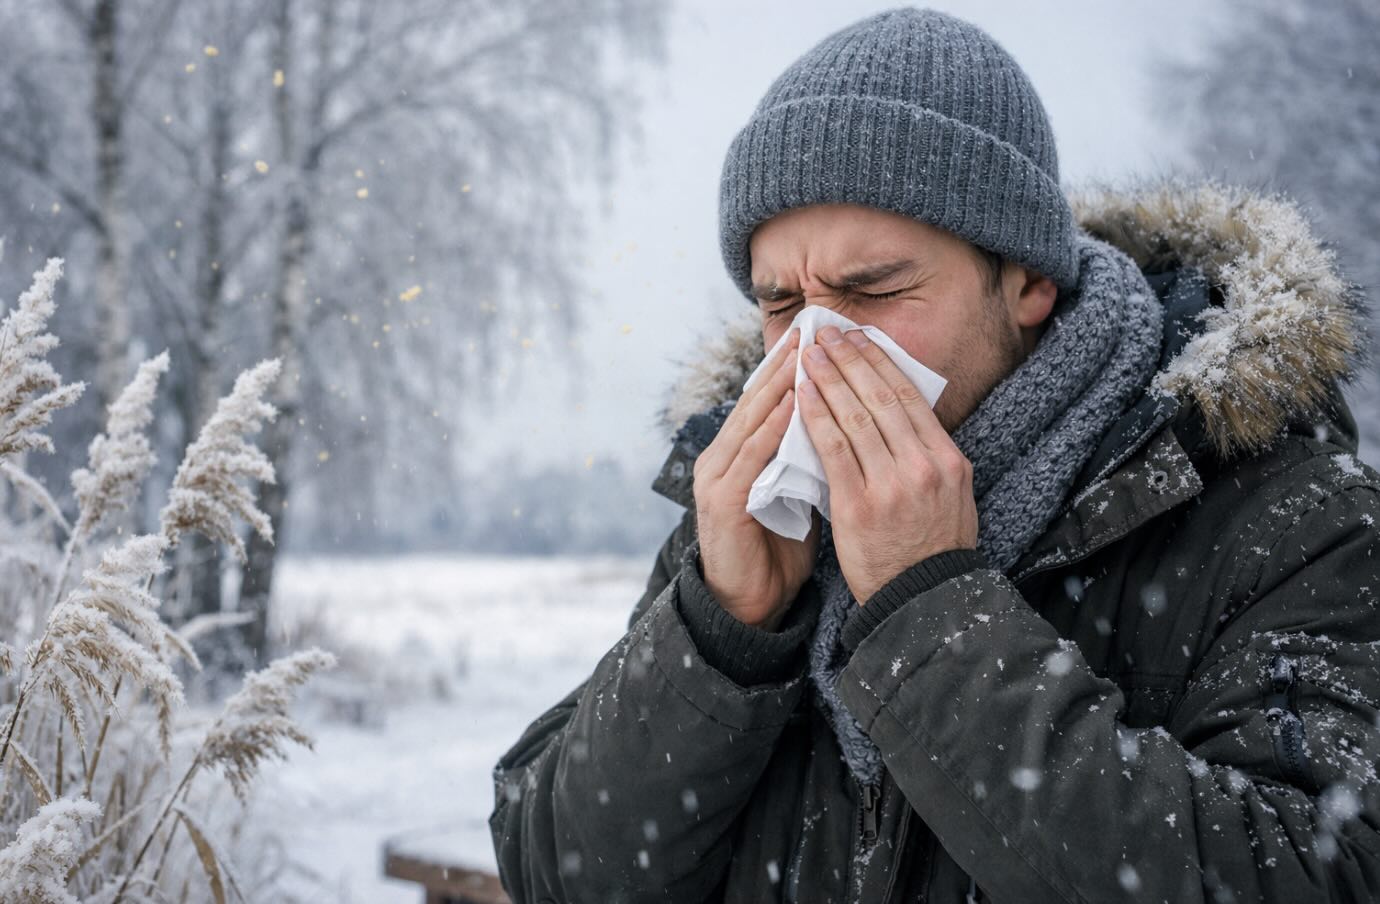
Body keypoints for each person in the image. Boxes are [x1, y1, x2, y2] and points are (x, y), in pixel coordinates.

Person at [488, 7, 1380, 902]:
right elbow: (555, 870)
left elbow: (1319, 874)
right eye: (781, 304)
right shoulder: (757, 512)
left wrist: (931, 612)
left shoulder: (1288, 519)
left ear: (1028, 279)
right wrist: (721, 630)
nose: (817, 346)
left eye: (871, 288)